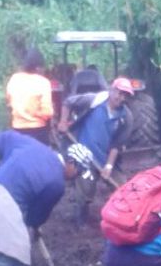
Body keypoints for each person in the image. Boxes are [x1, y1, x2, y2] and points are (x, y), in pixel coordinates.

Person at [57, 77, 135, 224]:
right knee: (85, 190)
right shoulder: (94, 101)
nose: (121, 97)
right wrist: (63, 121)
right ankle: (81, 219)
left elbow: (117, 145)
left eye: (125, 95)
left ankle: (122, 218)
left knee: (121, 187)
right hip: (85, 156)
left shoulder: (126, 117)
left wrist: (109, 166)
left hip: (106, 158)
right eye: (119, 93)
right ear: (112, 90)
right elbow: (68, 103)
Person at [0, 130, 92, 231]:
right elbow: (34, 219)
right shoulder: (57, 184)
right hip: (4, 214)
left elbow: (2, 138)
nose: (76, 177)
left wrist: (2, 161)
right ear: (71, 162)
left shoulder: (33, 144)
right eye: (78, 172)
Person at [5, 47, 54, 145]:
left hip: (17, 128)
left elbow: (9, 101)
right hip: (38, 130)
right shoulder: (43, 82)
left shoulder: (14, 79)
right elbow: (47, 112)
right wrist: (34, 114)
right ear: (38, 68)